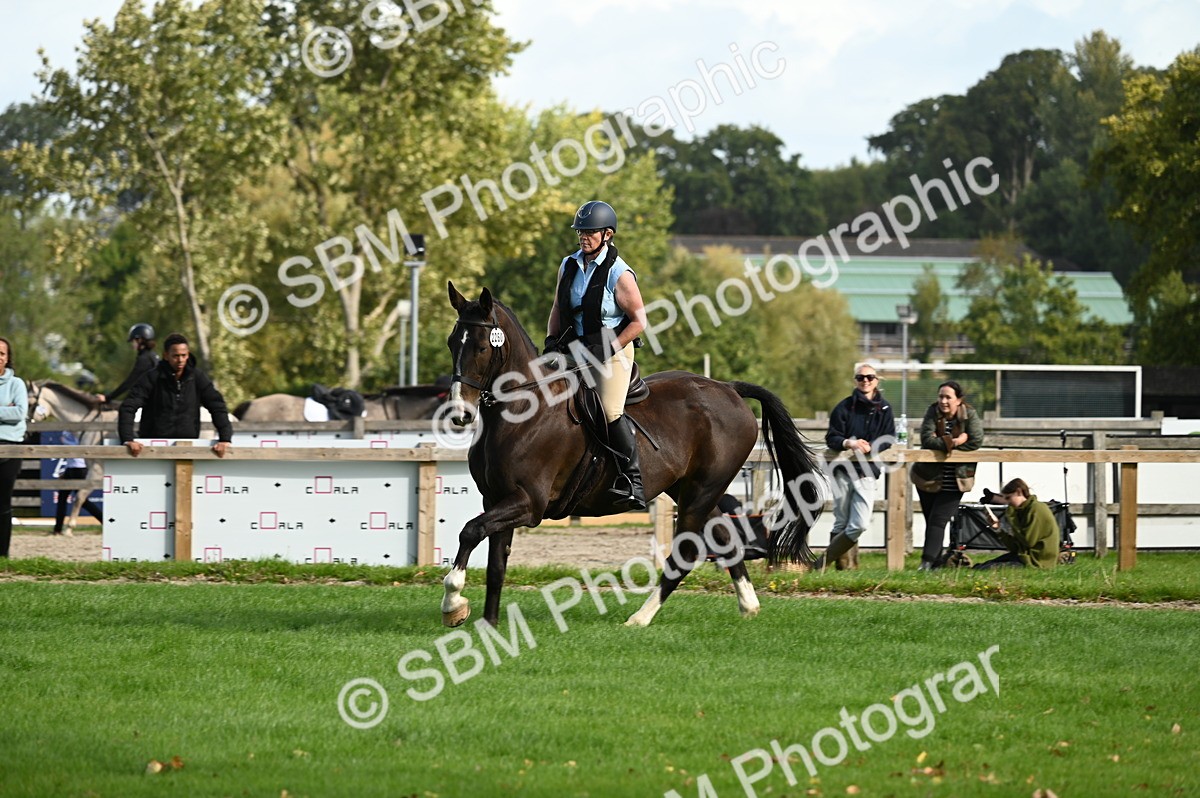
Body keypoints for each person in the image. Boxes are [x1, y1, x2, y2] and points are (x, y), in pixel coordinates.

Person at [544, 200, 647, 510]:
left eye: (590, 232)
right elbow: (558, 308)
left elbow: (639, 321)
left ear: (607, 234)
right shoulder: (569, 264)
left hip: (612, 351)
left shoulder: (619, 272)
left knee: (609, 408)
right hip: (576, 348)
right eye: (581, 232)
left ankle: (633, 481)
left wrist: (610, 347)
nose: (583, 237)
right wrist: (551, 339)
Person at [816, 363, 895, 571]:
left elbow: (889, 438)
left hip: (867, 472)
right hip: (842, 470)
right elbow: (832, 437)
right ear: (855, 381)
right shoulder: (844, 407)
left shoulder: (885, 409)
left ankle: (821, 563)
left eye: (869, 377)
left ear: (877, 380)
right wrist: (849, 443)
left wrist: (871, 447)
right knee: (841, 521)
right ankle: (843, 568)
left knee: (859, 523)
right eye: (860, 378)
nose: (865, 381)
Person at [118, 332, 234, 458]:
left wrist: (225, 438)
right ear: (166, 355)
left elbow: (217, 406)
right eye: (176, 356)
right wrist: (128, 439)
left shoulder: (197, 377)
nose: (180, 360)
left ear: (188, 354)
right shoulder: (151, 378)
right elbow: (128, 407)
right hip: (152, 448)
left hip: (189, 448)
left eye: (184, 355)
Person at [911, 380, 983, 570]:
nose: (943, 401)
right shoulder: (932, 412)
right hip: (928, 477)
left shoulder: (970, 415)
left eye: (948, 397)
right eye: (940, 396)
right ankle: (936, 563)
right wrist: (957, 440)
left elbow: (976, 441)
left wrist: (942, 441)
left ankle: (926, 563)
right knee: (932, 522)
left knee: (938, 521)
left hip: (956, 479)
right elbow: (926, 440)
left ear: (958, 400)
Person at [973, 478, 1059, 570]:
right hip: (1024, 557)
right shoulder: (1022, 511)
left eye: (1008, 498)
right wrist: (998, 529)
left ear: (1019, 492)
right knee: (980, 567)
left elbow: (1028, 541)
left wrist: (1012, 517)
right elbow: (1015, 547)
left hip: (1036, 562)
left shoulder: (1036, 509)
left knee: (986, 569)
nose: (1007, 502)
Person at [0, 336, 29, 558]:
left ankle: (3, 553)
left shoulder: (16, 384)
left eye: (2, 353)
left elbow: (19, 413)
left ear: (8, 358)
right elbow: (11, 413)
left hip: (10, 447)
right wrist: (4, 409)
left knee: (3, 501)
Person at [51, 430, 103, 536]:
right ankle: (57, 529)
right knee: (62, 498)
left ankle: (105, 521)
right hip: (70, 468)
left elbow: (80, 446)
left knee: (83, 501)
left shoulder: (80, 430)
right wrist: (65, 469)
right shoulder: (66, 430)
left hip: (80, 467)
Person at [97, 323, 159, 404]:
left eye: (133, 341)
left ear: (139, 340)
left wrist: (108, 398)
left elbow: (130, 382)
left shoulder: (144, 359)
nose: (132, 344)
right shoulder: (152, 355)